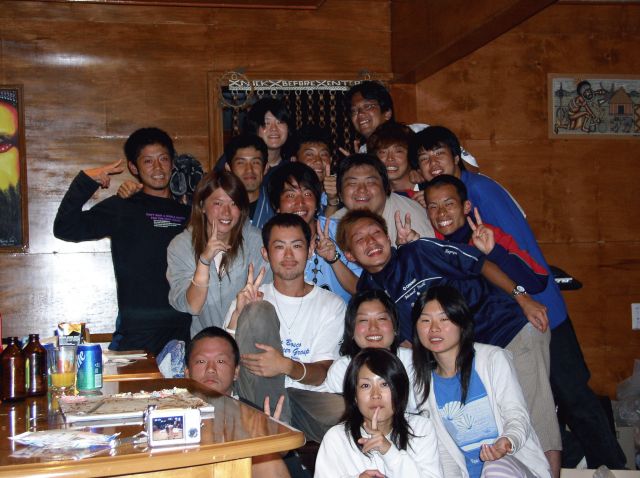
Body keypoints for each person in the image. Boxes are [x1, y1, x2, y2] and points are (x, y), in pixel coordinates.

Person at [415, 125, 625, 471]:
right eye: (424, 159)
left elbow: (521, 255)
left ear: (456, 156)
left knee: (570, 397)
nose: (433, 163)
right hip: (507, 319)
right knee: (536, 405)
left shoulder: (480, 191)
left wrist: (525, 299)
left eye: (439, 154)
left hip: (534, 310)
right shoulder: (442, 215)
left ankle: (615, 467)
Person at [53, 127, 191, 354]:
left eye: (164, 159)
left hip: (186, 329)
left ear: (172, 163)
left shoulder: (189, 213)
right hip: (138, 331)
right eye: (148, 161)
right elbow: (65, 228)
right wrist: (86, 180)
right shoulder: (122, 207)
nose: (158, 168)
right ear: (134, 167)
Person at [223, 213, 346, 442]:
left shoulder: (332, 304)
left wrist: (285, 365)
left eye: (296, 246)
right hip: (256, 395)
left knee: (350, 415)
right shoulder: (250, 297)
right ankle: (276, 437)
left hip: (305, 397)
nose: (288, 255)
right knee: (258, 310)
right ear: (265, 253)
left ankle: (274, 432)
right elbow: (226, 362)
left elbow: (322, 373)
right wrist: (239, 315)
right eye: (279, 247)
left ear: (310, 250)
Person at [412, 285, 551, 478]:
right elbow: (444, 452)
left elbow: (517, 415)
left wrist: (507, 442)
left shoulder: (492, 359)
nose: (434, 328)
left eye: (444, 319)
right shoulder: (422, 383)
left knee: (493, 467)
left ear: (462, 322)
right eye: (425, 320)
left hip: (514, 467)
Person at [185, 326, 305, 478]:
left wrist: (275, 448)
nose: (211, 369)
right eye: (201, 361)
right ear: (187, 372)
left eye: (220, 361)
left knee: (267, 458)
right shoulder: (168, 414)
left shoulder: (258, 419)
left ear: (236, 372)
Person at [167, 170, 270, 337]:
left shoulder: (257, 242)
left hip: (249, 338)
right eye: (218, 203)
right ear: (202, 206)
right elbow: (193, 306)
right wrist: (204, 261)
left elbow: (268, 299)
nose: (226, 212)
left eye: (234, 203)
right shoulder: (181, 246)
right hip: (207, 343)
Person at [315, 348, 443, 478]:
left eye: (385, 384)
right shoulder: (336, 438)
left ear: (399, 390)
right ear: (354, 395)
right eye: (365, 386)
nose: (375, 394)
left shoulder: (421, 429)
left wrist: (389, 452)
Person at [267, 162, 360, 303]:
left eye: (307, 194)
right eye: (290, 195)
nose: (300, 202)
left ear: (317, 203)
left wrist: (334, 259)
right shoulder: (270, 240)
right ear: (276, 206)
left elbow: (361, 290)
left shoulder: (341, 231)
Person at [344, 80, 478, 171]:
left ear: (387, 113)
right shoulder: (363, 152)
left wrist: (423, 172)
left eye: (368, 106)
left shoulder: (419, 131)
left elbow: (472, 168)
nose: (360, 114)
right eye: (354, 111)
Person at [322, 289, 417, 411]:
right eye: (363, 320)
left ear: (395, 326)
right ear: (351, 330)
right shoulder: (342, 370)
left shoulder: (412, 362)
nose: (373, 327)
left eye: (381, 319)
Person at [331, 153, 434, 243]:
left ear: (386, 188)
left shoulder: (409, 219)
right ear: (340, 194)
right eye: (352, 183)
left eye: (370, 182)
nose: (362, 189)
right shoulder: (334, 225)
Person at [215, 97, 295, 174]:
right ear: (255, 127)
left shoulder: (293, 164)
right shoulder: (234, 158)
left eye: (280, 122)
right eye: (266, 123)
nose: (274, 128)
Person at [223, 133, 274, 229]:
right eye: (241, 163)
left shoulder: (276, 206)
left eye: (255, 162)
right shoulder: (218, 209)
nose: (249, 170)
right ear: (228, 168)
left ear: (266, 168)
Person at [291, 124, 339, 217]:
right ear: (294, 160)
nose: (318, 160)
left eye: (323, 155)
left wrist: (332, 199)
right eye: (309, 154)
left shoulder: (342, 192)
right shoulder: (288, 195)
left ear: (331, 160)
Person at [366, 121, 418, 198]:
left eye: (398, 151)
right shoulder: (374, 196)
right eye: (383, 152)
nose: (390, 158)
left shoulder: (429, 189)